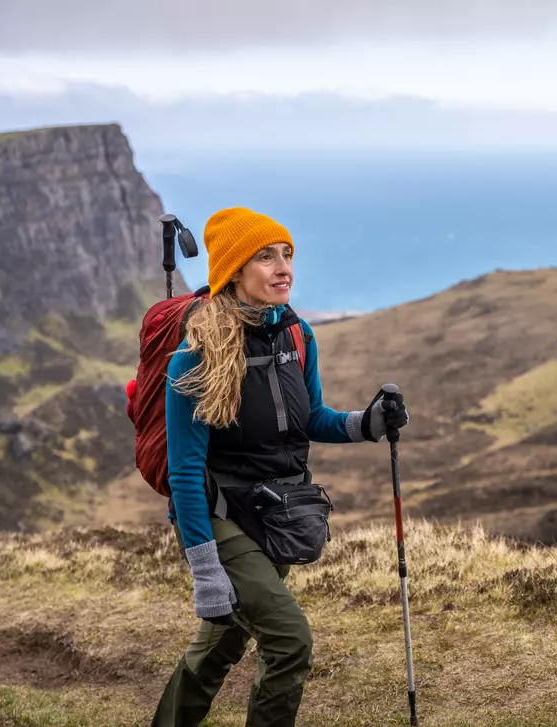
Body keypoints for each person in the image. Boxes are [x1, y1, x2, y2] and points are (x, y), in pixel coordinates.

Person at [151, 207, 408, 726]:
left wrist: (370, 422)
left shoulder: (297, 335)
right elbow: (183, 474)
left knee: (219, 648)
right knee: (290, 642)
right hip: (223, 516)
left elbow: (311, 418)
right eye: (265, 257)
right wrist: (205, 569)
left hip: (278, 512)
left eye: (286, 254)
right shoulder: (195, 357)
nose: (281, 267)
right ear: (233, 272)